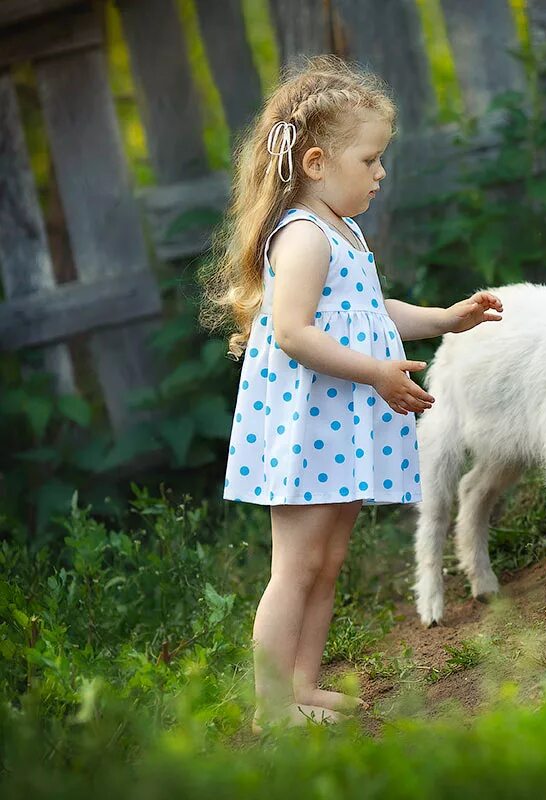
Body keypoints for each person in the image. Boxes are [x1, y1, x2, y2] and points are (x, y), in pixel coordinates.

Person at [200, 55, 502, 731]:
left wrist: (445, 319)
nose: (380, 173)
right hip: (308, 427)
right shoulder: (303, 238)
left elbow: (371, 312)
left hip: (335, 429)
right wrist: (375, 373)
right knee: (297, 566)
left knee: (328, 561)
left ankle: (301, 689)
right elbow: (293, 333)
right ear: (314, 163)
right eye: (369, 160)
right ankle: (272, 706)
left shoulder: (344, 230)